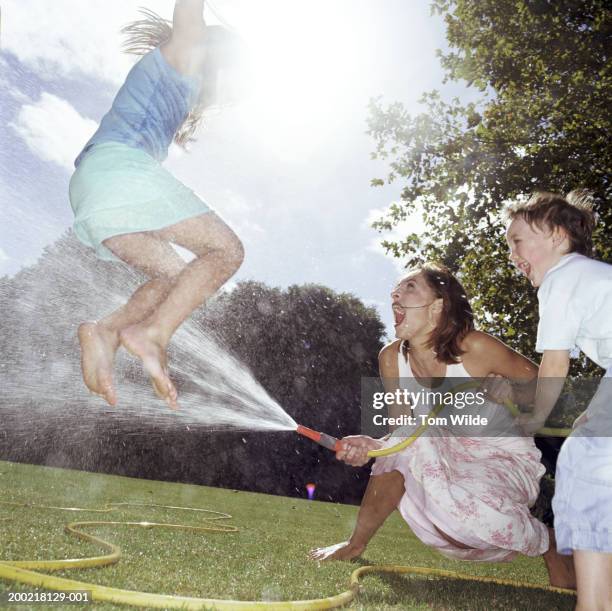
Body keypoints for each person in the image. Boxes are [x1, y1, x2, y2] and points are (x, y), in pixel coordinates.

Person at [309, 263, 575, 589]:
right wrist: (373, 445)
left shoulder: (475, 348)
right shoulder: (392, 358)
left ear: (438, 305)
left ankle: (547, 542)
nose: (395, 295)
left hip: (501, 457)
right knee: (418, 458)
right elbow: (402, 433)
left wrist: (514, 392)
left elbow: (550, 386)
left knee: (475, 528)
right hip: (439, 453)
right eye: (395, 291)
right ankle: (356, 543)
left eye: (409, 288)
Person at [69, 1, 245, 409]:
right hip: (118, 168)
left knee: (174, 280)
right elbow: (189, 13)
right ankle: (153, 336)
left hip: (95, 185)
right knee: (226, 251)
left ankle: (107, 330)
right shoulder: (186, 51)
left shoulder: (182, 85)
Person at [505, 190, 612, 610]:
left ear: (555, 234)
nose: (512, 253)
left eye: (517, 240)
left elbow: (553, 363)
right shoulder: (589, 275)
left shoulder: (563, 277)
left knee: (585, 473)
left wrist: (534, 419)